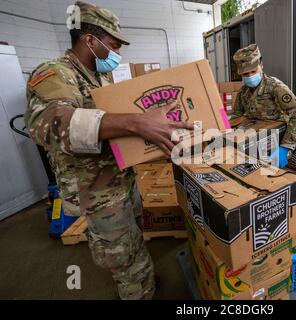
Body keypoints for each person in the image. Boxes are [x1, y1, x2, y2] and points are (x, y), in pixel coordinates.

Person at [24, 1, 192, 300]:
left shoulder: (100, 79)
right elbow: (48, 124)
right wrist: (139, 123)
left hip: (121, 179)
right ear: (90, 39)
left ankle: (145, 285)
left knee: (134, 237)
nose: (117, 54)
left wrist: (155, 138)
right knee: (121, 254)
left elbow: (116, 129)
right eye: (113, 45)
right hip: (96, 191)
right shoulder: (55, 73)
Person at [232, 44, 296, 168]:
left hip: (276, 142)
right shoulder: (243, 92)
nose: (250, 76)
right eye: (245, 74)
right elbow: (236, 116)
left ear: (261, 66)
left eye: (253, 71)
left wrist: (286, 147)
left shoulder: (276, 87)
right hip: (253, 142)